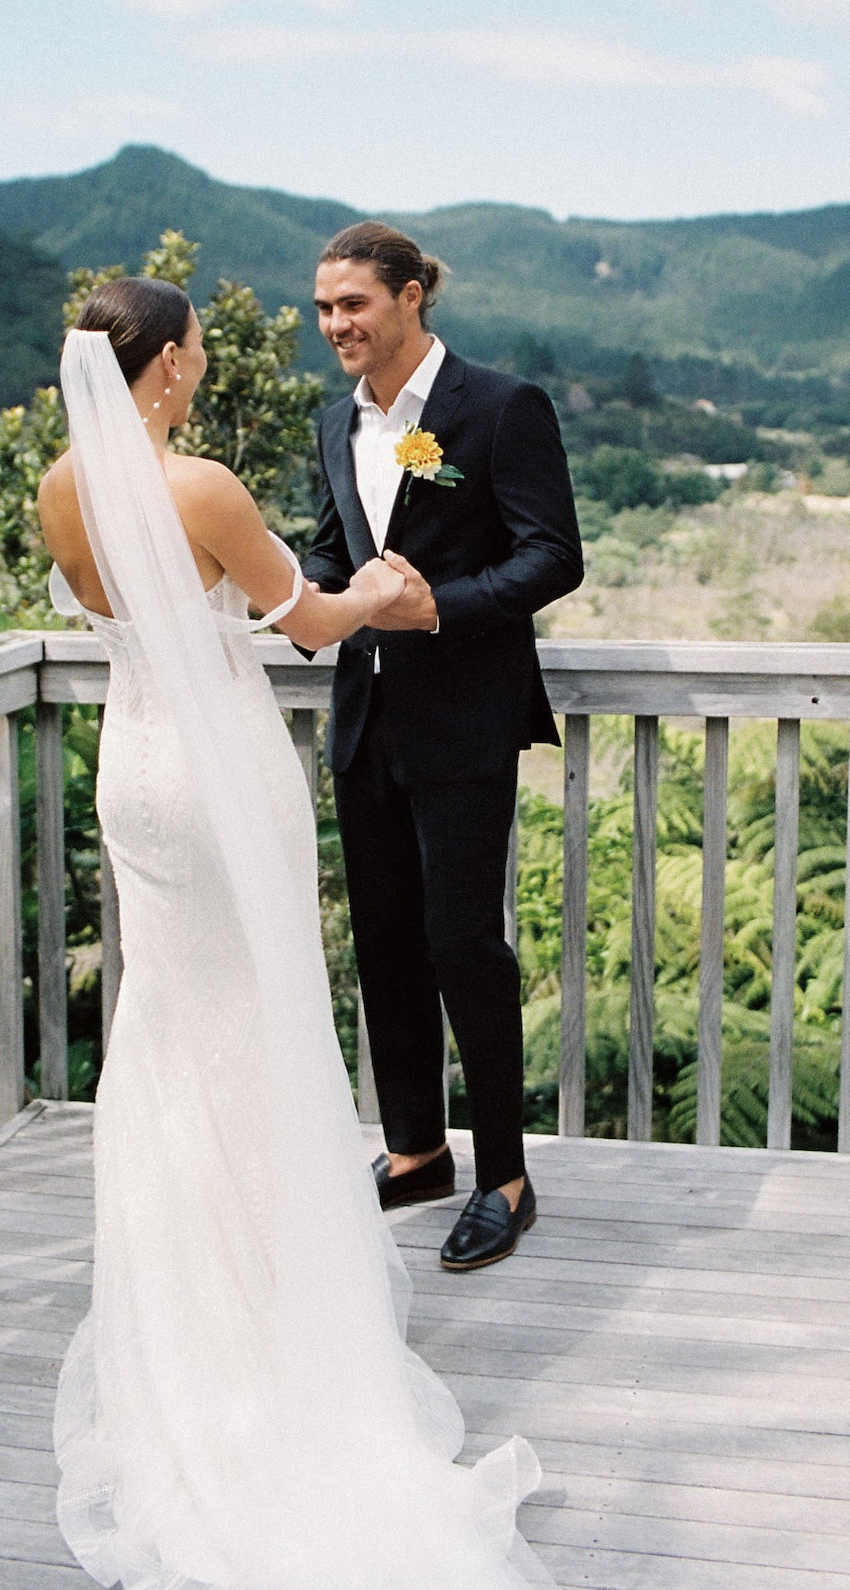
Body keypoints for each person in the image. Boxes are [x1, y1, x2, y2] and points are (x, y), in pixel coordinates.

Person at [37, 276, 555, 1589]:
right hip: (217, 782)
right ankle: (271, 1326)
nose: (212, 352)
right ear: (162, 370)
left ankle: (183, 1328)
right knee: (255, 1028)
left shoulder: (60, 485)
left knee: (162, 1034)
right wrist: (384, 585)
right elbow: (311, 623)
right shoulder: (200, 485)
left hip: (133, 774)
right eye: (199, 339)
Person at [305, 223, 583, 1272]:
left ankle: (505, 1177)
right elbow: (334, 556)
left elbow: (554, 556)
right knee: (383, 944)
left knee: (465, 945)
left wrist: (438, 611)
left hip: (465, 723)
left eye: (354, 305)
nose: (336, 324)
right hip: (363, 723)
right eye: (325, 307)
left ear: (411, 297)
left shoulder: (502, 408)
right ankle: (415, 1147)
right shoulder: (338, 424)